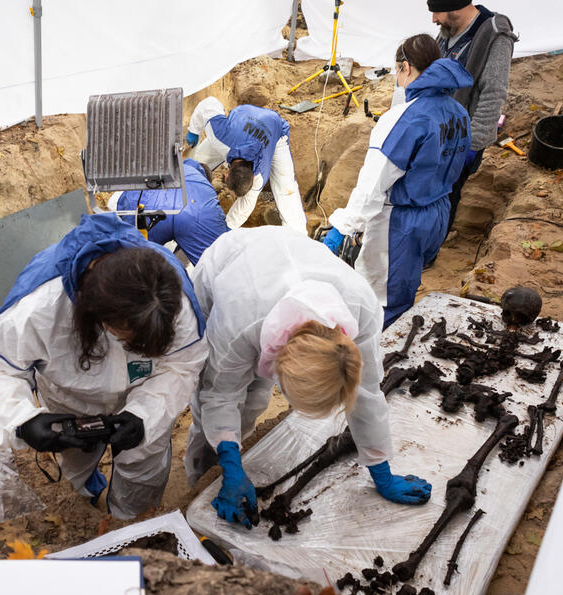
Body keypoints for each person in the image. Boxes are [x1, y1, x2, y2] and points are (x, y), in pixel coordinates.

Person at [185, 226, 431, 528]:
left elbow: (366, 394)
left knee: (253, 402)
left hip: (287, 267)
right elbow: (219, 394)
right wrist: (229, 463)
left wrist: (382, 471)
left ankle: (229, 456)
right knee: (219, 394)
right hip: (229, 268)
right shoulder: (238, 321)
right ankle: (203, 476)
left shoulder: (361, 309)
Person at [0, 213, 208, 519]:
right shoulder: (40, 303)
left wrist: (145, 415)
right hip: (70, 398)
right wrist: (23, 420)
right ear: (97, 315)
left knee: (142, 463)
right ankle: (82, 515)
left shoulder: (171, 296)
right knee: (73, 466)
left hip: (145, 390)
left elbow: (183, 363)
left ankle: (129, 525)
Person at [322, 35, 472, 328]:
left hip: (401, 220)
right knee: (405, 284)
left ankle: (375, 360)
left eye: (396, 70)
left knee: (381, 300)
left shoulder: (402, 119)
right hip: (438, 212)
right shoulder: (458, 112)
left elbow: (373, 184)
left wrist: (343, 227)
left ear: (405, 67)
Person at [427, 0, 517, 234]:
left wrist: (472, 142)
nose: (433, 19)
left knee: (446, 194)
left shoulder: (494, 34)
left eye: (436, 12)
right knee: (427, 189)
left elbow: (493, 92)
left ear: (454, 8)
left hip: (462, 136)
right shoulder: (449, 29)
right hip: (436, 128)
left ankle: (432, 247)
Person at [185, 97, 308, 234]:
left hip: (276, 132)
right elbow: (209, 103)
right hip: (241, 124)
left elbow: (245, 206)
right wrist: (194, 130)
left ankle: (298, 236)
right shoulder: (220, 135)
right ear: (226, 174)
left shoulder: (259, 176)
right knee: (196, 162)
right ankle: (184, 201)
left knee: (286, 189)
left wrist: (227, 229)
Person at [108, 158, 229, 265]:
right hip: (142, 224)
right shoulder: (203, 199)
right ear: (206, 180)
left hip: (119, 199)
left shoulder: (179, 167)